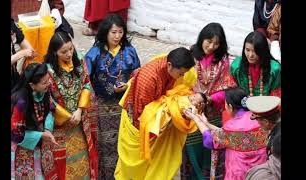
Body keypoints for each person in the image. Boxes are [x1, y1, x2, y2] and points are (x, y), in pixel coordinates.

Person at [115, 47, 196, 179]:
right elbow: (141, 115)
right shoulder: (149, 79)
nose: (181, 77)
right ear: (169, 65)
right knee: (135, 167)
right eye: (180, 74)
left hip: (155, 119)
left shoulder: (170, 68)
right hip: (139, 124)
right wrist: (165, 120)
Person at [84, 13, 140, 179]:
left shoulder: (130, 51)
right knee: (105, 143)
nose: (117, 36)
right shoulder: (94, 53)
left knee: (124, 143)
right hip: (103, 106)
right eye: (113, 32)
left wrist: (129, 85)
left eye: (120, 32)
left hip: (124, 105)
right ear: (105, 33)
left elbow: (137, 74)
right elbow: (85, 79)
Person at [180, 22, 237, 180]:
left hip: (212, 114)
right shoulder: (190, 54)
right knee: (191, 149)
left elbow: (227, 89)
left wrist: (207, 98)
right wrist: (193, 98)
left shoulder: (223, 61)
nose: (212, 46)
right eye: (209, 41)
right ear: (202, 38)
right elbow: (181, 81)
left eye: (216, 43)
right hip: (191, 110)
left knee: (210, 148)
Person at [44, 31, 98, 179]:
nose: (69, 54)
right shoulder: (48, 71)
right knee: (63, 166)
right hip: (60, 125)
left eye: (70, 49)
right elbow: (47, 98)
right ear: (54, 52)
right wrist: (67, 115)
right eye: (64, 52)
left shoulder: (79, 61)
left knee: (84, 161)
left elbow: (86, 83)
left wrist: (80, 110)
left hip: (79, 122)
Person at [184, 87, 268, 180]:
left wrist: (196, 119)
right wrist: (207, 124)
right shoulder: (259, 120)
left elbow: (211, 141)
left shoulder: (232, 126)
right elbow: (228, 137)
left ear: (230, 107)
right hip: (261, 173)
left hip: (240, 174)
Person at [11, 63, 58, 179]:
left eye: (48, 80)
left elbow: (51, 108)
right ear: (32, 85)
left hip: (41, 141)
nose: (49, 84)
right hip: (23, 147)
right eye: (44, 82)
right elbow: (15, 132)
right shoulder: (20, 102)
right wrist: (41, 135)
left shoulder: (45, 90)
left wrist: (47, 128)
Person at [231, 31, 281, 97]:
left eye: (255, 51)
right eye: (247, 50)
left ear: (263, 51)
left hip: (268, 105)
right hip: (242, 105)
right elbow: (232, 91)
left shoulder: (275, 69)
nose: (250, 55)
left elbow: (277, 94)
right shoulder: (236, 66)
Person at [11, 18, 36, 89]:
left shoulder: (11, 24)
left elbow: (22, 40)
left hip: (14, 74)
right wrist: (21, 54)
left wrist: (31, 51)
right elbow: (23, 52)